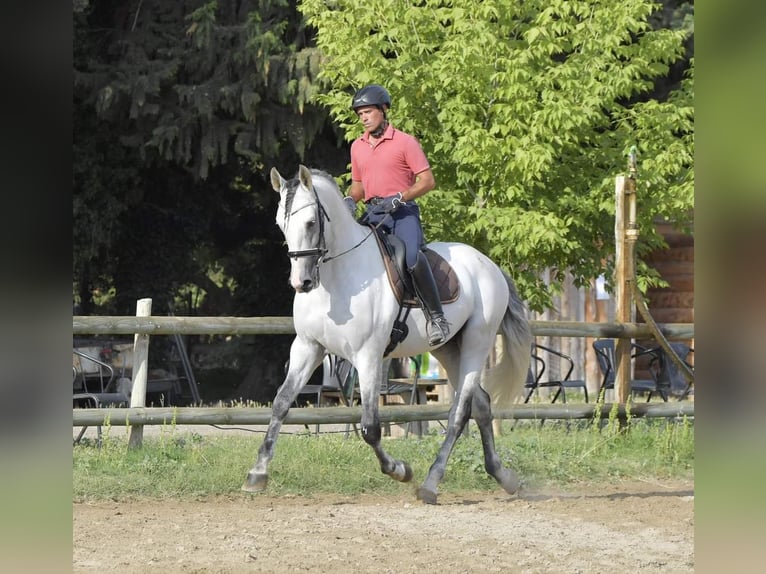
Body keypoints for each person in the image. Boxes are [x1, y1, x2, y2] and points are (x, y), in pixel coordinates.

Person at [344, 84, 450, 346]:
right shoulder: (357, 146)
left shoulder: (405, 142)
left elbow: (427, 181)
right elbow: (359, 185)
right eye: (360, 114)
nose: (364, 118)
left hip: (403, 212)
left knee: (412, 260)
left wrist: (401, 197)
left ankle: (437, 318)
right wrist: (348, 199)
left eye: (368, 112)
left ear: (384, 110)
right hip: (373, 212)